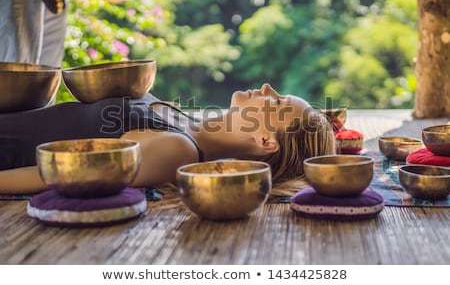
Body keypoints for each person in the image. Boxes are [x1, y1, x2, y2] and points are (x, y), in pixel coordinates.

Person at [0, 83, 336, 197]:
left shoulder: (178, 150)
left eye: (275, 101)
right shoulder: (186, 122)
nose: (266, 88)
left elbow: (59, 174)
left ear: (266, 141)